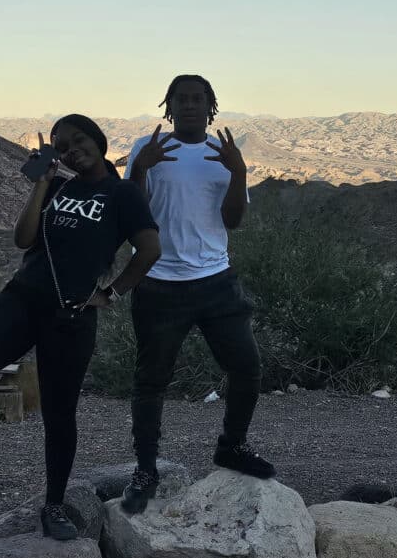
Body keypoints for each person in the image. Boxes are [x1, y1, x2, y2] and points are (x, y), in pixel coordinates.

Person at [0, 114, 160, 540]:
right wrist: (42, 179)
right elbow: (22, 239)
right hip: (21, 299)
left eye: (79, 140)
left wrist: (111, 294)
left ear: (98, 140)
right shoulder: (56, 185)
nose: (73, 150)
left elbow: (149, 249)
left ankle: (53, 504)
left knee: (59, 414)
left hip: (72, 315)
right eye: (62, 145)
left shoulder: (122, 193)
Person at [120, 74, 274, 515]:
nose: (188, 104)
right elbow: (133, 211)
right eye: (180, 98)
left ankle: (232, 446)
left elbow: (233, 221)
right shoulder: (145, 149)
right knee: (151, 381)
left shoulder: (221, 155)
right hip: (159, 282)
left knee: (246, 368)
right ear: (167, 105)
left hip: (216, 281)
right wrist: (141, 167)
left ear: (211, 106)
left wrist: (239, 171)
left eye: (197, 98)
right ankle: (145, 469)